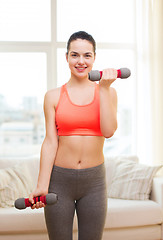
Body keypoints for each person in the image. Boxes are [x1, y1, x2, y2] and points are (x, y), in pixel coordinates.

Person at [29, 31, 118, 240]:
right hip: (59, 181)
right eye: (74, 55)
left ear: (94, 57)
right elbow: (50, 142)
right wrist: (42, 185)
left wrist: (104, 89)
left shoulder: (108, 92)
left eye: (87, 55)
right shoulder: (52, 96)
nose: (81, 61)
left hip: (94, 182)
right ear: (67, 57)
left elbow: (109, 131)